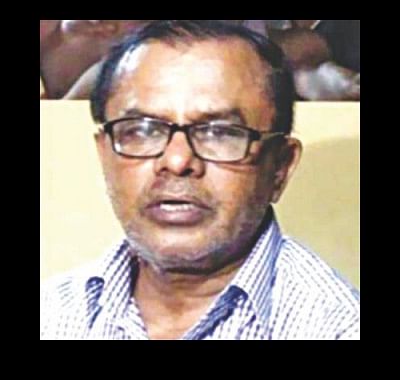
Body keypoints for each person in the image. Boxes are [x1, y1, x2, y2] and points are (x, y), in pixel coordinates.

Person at [40, 20, 360, 340]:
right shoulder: (53, 315)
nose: (177, 161)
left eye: (220, 133)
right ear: (105, 153)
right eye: (143, 130)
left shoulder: (337, 328)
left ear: (280, 166)